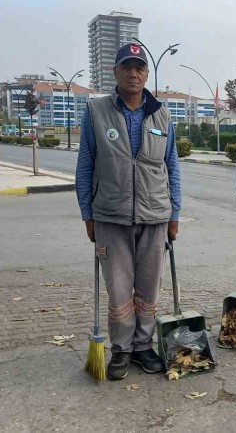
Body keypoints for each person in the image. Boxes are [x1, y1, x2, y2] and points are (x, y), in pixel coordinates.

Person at [75, 43, 182, 380]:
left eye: (139, 67)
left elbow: (173, 168)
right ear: (115, 72)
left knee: (148, 289)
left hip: (155, 217)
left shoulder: (163, 115)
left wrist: (175, 215)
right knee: (119, 290)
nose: (133, 73)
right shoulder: (96, 111)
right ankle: (121, 350)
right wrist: (87, 215)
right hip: (110, 215)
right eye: (127, 67)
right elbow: (85, 166)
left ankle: (142, 346)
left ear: (147, 74)